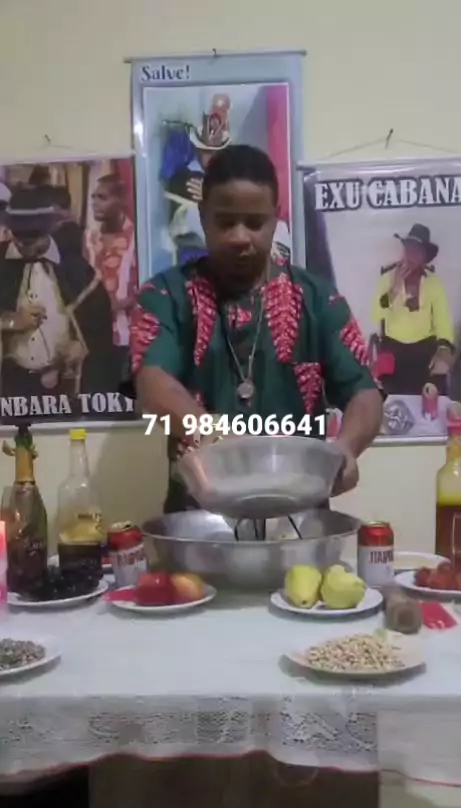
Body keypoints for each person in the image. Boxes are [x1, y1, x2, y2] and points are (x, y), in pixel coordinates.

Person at [129, 144, 383, 512]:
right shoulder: (166, 295)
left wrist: (346, 448)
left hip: (300, 520)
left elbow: (365, 393)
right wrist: (215, 436)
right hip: (200, 521)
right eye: (225, 222)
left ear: (275, 219)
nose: (239, 237)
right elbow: (152, 383)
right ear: (202, 216)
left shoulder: (318, 299)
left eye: (254, 222)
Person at [0, 185, 114, 407]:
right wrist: (11, 321)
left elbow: (100, 328)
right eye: (18, 236)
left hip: (62, 387)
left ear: (49, 228)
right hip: (8, 386)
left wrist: (82, 347)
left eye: (33, 237)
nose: (24, 244)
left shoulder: (77, 269)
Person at [160, 96, 291, 267]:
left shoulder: (233, 174)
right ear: (198, 149)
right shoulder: (185, 178)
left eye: (215, 151)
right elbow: (194, 223)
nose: (209, 158)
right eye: (206, 151)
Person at [370, 224, 454, 396]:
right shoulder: (387, 279)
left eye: (417, 251)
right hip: (393, 346)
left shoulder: (433, 282)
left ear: (425, 257)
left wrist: (444, 349)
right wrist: (394, 291)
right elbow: (376, 314)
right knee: (391, 396)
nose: (411, 255)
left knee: (433, 388)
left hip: (424, 347)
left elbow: (443, 320)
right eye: (408, 249)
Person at [85, 174, 137, 380]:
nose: (95, 203)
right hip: (93, 338)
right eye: (93, 197)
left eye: (102, 197)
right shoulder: (89, 237)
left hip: (128, 337)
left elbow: (148, 287)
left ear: (121, 200)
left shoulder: (137, 238)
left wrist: (119, 304)